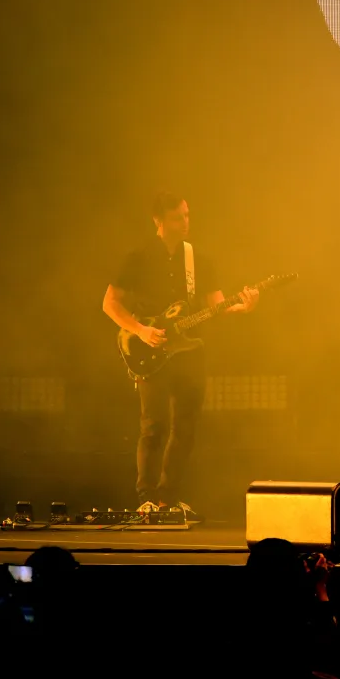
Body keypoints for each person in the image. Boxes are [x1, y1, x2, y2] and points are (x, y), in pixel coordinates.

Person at [102, 193, 257, 518]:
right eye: (177, 217)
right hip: (151, 349)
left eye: (187, 215)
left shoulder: (197, 258)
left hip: (190, 352)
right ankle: (146, 497)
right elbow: (110, 303)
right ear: (158, 220)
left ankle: (167, 499)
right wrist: (141, 330)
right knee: (154, 426)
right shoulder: (139, 257)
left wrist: (242, 307)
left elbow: (216, 306)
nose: (185, 222)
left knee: (186, 427)